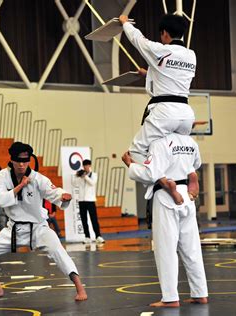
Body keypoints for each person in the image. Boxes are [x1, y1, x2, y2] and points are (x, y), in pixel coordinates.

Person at [0, 142, 87, 301]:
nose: (21, 164)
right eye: (18, 161)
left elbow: (53, 191)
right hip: (13, 229)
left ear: (29, 161)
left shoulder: (38, 178)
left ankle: (80, 289)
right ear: (11, 160)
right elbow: (1, 200)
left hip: (38, 228)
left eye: (25, 161)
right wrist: (21, 186)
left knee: (59, 251)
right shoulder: (2, 176)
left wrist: (63, 196)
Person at [119, 14, 199, 204]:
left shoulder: (160, 51)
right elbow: (172, 76)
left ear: (164, 33)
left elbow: (137, 39)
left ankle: (163, 182)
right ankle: (191, 174)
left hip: (164, 111)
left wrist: (124, 23)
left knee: (136, 151)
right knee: (179, 150)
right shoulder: (191, 55)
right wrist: (149, 74)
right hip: (186, 113)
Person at [121, 132, 208, 308]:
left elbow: (150, 173)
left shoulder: (159, 143)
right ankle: (200, 293)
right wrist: (191, 177)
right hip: (186, 195)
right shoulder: (190, 142)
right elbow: (195, 165)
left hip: (166, 195)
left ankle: (170, 298)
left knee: (165, 249)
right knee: (192, 248)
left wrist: (130, 165)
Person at [72, 159, 104, 244]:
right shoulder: (81, 175)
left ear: (90, 165)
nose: (85, 167)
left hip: (90, 200)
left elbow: (92, 183)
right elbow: (74, 184)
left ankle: (98, 236)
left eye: (87, 165)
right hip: (82, 200)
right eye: (84, 165)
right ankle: (87, 237)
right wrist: (77, 176)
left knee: (94, 219)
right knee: (83, 219)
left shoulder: (94, 174)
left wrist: (85, 176)